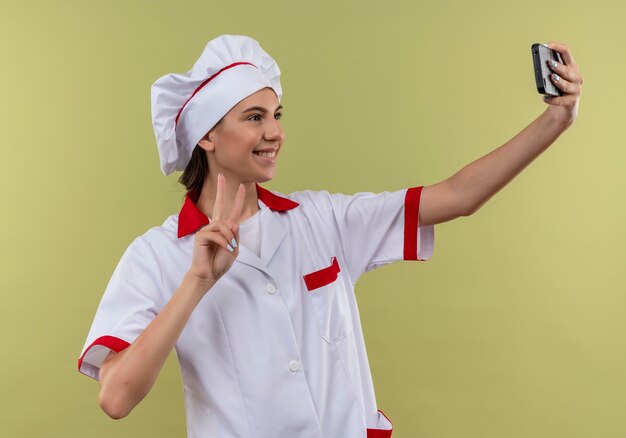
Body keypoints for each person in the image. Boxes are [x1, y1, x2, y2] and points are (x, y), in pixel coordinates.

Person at [77, 35, 583, 437]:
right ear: (207, 135)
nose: (274, 131)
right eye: (254, 117)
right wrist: (196, 283)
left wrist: (555, 120)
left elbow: (456, 195)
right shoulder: (158, 255)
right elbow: (115, 397)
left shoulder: (320, 219)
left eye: (276, 115)